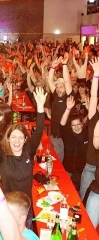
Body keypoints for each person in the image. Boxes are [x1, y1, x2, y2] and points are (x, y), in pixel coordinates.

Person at [0, 87, 47, 228]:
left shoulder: (28, 152)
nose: (17, 141)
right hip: (7, 208)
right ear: (8, 139)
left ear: (25, 139)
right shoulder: (2, 155)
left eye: (20, 137)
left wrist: (40, 107)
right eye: (13, 137)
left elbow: (38, 131)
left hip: (26, 208)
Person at [47, 54, 73, 162]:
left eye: (60, 86)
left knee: (58, 162)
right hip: (54, 135)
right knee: (52, 160)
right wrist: (52, 67)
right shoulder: (57, 96)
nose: (58, 88)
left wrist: (65, 64)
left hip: (63, 137)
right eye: (57, 87)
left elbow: (67, 81)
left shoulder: (68, 96)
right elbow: (49, 81)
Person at [80, 57, 99, 201]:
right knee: (82, 202)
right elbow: (93, 95)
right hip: (91, 167)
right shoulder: (94, 118)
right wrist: (96, 75)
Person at [60, 96, 88, 191]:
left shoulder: (87, 135)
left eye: (78, 124)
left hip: (81, 173)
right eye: (73, 125)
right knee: (65, 191)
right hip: (67, 170)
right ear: (70, 127)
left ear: (82, 124)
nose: (76, 127)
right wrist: (68, 108)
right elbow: (62, 124)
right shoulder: (68, 135)